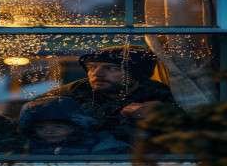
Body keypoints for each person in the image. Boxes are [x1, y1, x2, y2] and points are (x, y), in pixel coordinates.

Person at [39, 45, 180, 144]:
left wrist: (161, 114)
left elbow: (184, 129)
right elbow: (34, 112)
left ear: (137, 75)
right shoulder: (75, 91)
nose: (97, 73)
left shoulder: (158, 94)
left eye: (112, 68)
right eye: (92, 67)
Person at [18, 96, 130, 155]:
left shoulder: (100, 146)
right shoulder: (27, 148)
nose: (49, 132)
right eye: (41, 128)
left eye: (58, 127)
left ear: (75, 127)